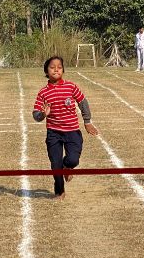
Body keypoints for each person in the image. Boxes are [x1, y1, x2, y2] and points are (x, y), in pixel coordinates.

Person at [32, 56, 98, 198]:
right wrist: (43, 114)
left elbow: (83, 102)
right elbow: (36, 114)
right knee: (55, 164)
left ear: (63, 70)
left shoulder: (71, 87)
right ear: (46, 71)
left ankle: (67, 167)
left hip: (72, 131)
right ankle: (59, 191)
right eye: (52, 67)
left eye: (59, 67)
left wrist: (87, 121)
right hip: (53, 133)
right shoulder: (43, 92)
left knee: (73, 160)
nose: (56, 70)